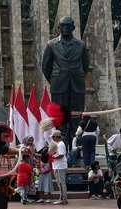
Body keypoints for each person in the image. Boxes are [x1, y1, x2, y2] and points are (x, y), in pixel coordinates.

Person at [42, 16, 89, 146]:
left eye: (68, 26)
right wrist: (55, 79)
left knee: (76, 116)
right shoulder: (51, 45)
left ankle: (76, 146)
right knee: (59, 116)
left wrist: (77, 76)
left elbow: (85, 66)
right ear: (59, 27)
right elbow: (45, 67)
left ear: (73, 28)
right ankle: (59, 145)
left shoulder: (81, 45)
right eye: (62, 25)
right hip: (58, 85)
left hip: (77, 84)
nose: (65, 28)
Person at [50, 130, 68, 205]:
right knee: (60, 183)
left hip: (60, 166)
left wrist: (52, 157)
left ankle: (63, 199)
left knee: (61, 183)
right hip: (57, 165)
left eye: (53, 137)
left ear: (55, 137)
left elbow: (61, 155)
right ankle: (63, 198)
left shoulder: (60, 144)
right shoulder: (58, 144)